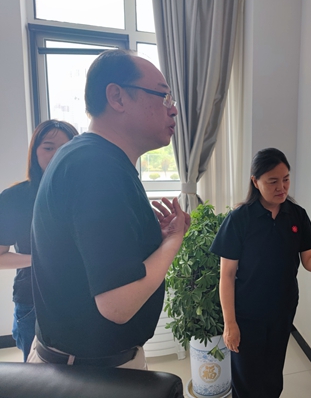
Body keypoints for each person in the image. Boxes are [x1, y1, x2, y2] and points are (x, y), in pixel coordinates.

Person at [27, 49, 191, 369]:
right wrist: (174, 240)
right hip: (89, 373)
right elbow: (118, 305)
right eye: (163, 96)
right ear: (117, 97)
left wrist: (147, 238)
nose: (173, 110)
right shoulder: (97, 168)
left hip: (85, 363)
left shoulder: (91, 157)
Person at [211, 148, 311, 398]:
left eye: (286, 179)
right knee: (247, 378)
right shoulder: (239, 219)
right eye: (273, 181)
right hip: (247, 313)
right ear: (255, 182)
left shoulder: (297, 215)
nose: (282, 187)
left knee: (272, 374)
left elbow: (309, 260)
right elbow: (227, 275)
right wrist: (230, 324)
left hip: (282, 309)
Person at [0, 119, 78, 361]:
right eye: (48, 147)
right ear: (35, 152)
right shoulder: (14, 198)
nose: (56, 154)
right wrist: (39, 259)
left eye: (65, 147)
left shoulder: (86, 193)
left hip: (81, 297)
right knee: (37, 375)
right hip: (33, 301)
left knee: (81, 374)